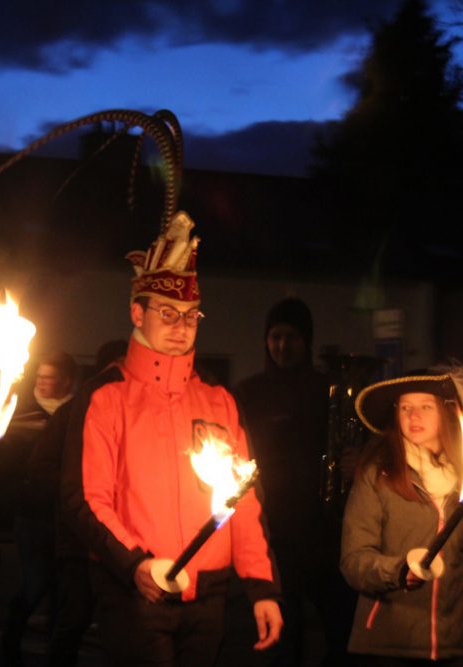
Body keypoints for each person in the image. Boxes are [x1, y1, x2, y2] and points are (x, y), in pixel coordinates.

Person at [63, 211, 283, 666]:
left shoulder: (219, 400)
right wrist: (135, 565)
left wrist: (262, 588)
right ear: (136, 312)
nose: (181, 326)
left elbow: (242, 501)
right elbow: (87, 499)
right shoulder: (107, 397)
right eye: (167, 313)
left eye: (189, 315)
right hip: (137, 593)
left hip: (210, 596)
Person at [340, 367, 463, 666]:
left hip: (455, 649)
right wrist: (399, 570)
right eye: (405, 407)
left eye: (425, 406)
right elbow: (353, 561)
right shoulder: (377, 474)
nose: (413, 416)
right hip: (389, 647)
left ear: (446, 414)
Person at [231, 297, 353, 666]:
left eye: (292, 337)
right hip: (274, 525)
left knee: (340, 624)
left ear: (307, 340)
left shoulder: (327, 390)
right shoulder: (249, 392)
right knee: (286, 629)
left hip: (322, 527)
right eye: (275, 337)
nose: (282, 346)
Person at [2, 350, 79, 665]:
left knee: (62, 586)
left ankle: (54, 651)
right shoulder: (23, 411)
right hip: (33, 512)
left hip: (62, 514)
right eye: (40, 377)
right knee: (35, 581)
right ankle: (11, 640)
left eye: (51, 378)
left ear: (66, 381)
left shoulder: (74, 412)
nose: (44, 383)